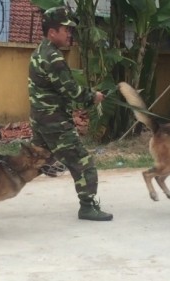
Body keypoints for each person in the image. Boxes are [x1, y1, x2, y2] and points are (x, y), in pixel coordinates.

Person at [28, 6, 113, 221]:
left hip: (40, 120)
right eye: (65, 29)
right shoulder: (53, 58)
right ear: (52, 32)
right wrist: (93, 96)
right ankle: (87, 207)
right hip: (55, 123)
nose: (69, 34)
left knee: (34, 162)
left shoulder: (38, 52)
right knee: (83, 163)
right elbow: (71, 91)